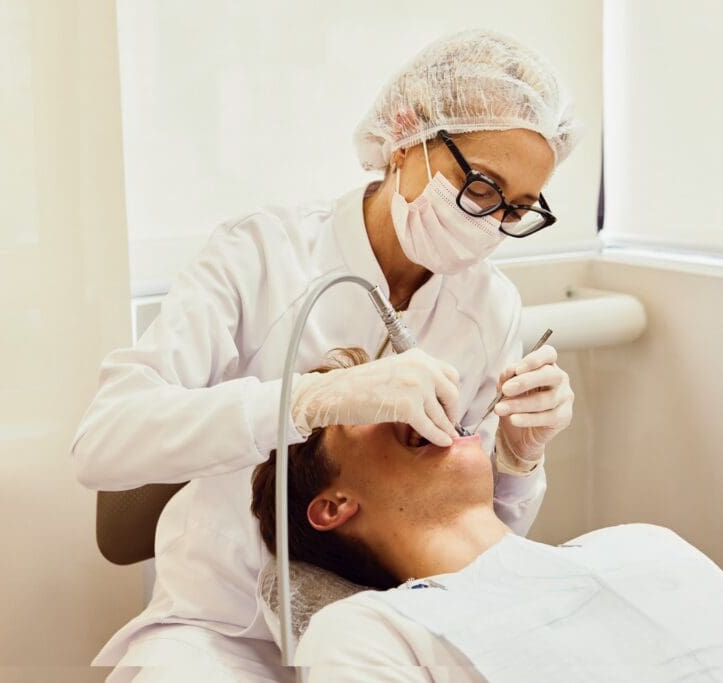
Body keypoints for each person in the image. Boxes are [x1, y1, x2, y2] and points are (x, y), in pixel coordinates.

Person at [72, 30, 579, 682]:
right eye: (480, 186)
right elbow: (102, 441)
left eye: (515, 208)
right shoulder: (259, 256)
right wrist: (305, 400)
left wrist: (519, 455)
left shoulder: (489, 308)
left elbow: (471, 535)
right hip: (220, 633)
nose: (489, 223)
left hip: (393, 636)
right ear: (405, 132)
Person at [250, 349, 723, 682]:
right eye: (363, 405)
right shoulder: (367, 631)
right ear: (333, 506)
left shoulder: (642, 545)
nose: (406, 399)